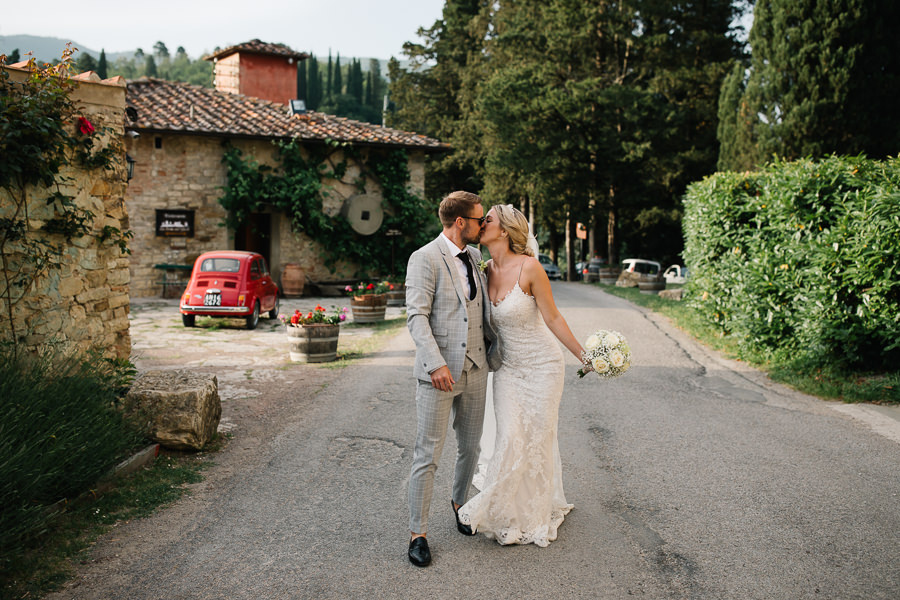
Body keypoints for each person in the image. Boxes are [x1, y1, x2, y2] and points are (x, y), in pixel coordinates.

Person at [458, 203, 589, 547]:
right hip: (508, 370)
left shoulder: (531, 268)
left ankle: (528, 513)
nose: (481, 223)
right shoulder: (482, 270)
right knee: (510, 437)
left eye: (488, 220)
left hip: (543, 367)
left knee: (536, 439)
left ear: (504, 231)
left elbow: (554, 318)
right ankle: (504, 511)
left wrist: (583, 355)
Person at [405, 191, 501, 567]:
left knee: (471, 447)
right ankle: (418, 534)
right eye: (479, 219)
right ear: (461, 222)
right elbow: (417, 317)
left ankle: (460, 504)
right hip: (439, 376)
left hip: (477, 368)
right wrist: (435, 364)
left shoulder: (476, 256)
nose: (483, 225)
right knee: (427, 454)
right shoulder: (424, 258)